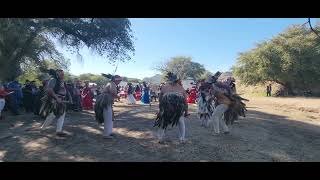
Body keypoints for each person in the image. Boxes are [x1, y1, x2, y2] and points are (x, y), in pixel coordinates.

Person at [155, 72, 188, 144]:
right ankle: (161, 138)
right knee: (164, 122)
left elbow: (185, 102)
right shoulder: (165, 87)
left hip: (178, 111)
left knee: (181, 122)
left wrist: (186, 111)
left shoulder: (181, 88)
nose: (173, 82)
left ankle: (182, 138)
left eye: (174, 81)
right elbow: (160, 99)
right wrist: (161, 109)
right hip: (167, 109)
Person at [40, 69, 72, 137]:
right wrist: (57, 98)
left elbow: (66, 91)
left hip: (62, 100)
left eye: (63, 74)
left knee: (62, 114)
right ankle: (43, 128)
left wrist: (70, 98)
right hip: (54, 100)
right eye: (61, 74)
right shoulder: (53, 80)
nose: (63, 75)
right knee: (52, 115)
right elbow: (50, 90)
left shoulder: (63, 81)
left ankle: (58, 131)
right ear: (57, 74)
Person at [95, 74, 122, 139]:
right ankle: (106, 134)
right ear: (116, 80)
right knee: (108, 117)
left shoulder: (111, 83)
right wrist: (117, 96)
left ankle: (109, 132)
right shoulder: (112, 84)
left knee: (109, 117)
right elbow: (112, 92)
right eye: (119, 80)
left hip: (107, 101)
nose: (120, 82)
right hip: (106, 101)